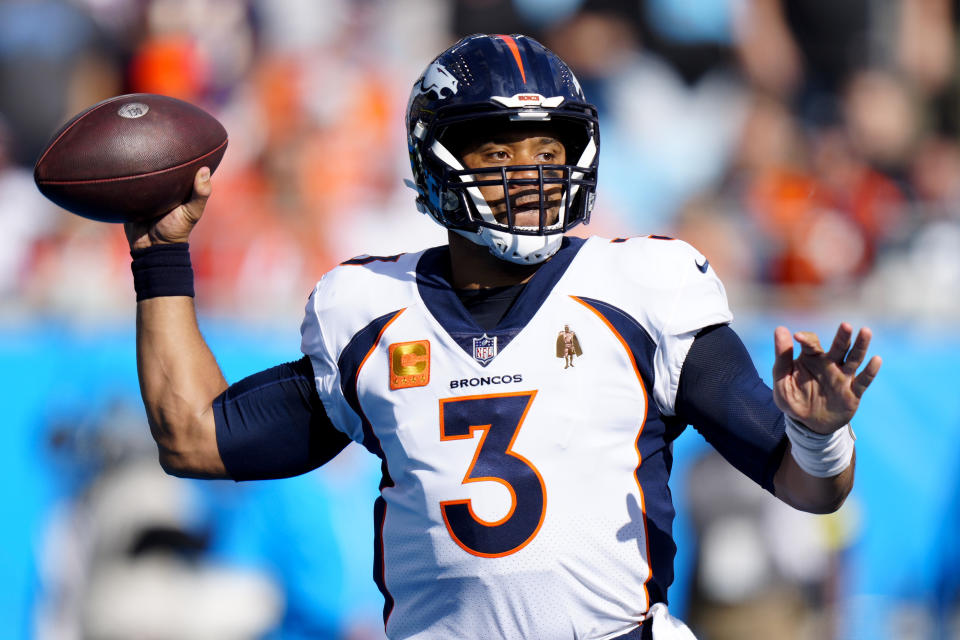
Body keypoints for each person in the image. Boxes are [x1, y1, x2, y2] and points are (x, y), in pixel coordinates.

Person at [124, 34, 881, 640]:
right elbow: (194, 438)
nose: (532, 174)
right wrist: (160, 256)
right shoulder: (368, 309)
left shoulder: (648, 287)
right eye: (500, 151)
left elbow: (809, 487)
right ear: (434, 162)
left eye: (548, 151)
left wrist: (819, 433)